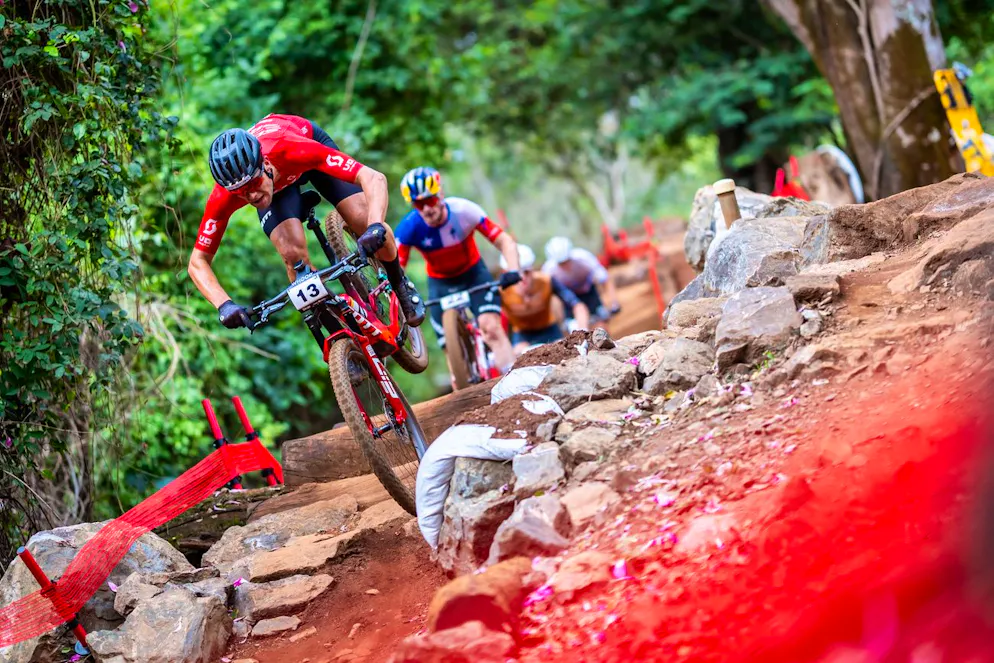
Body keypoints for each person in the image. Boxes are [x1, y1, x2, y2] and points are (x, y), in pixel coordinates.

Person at [188, 114, 425, 330]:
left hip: (306, 153)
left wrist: (375, 225)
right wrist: (224, 305)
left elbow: (373, 178)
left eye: (252, 184)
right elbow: (198, 261)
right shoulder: (225, 195)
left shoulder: (291, 148)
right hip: (279, 190)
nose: (251, 196)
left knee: (362, 218)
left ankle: (400, 282)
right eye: (241, 192)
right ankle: (341, 339)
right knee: (293, 257)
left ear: (266, 166)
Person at [395, 167, 521, 377]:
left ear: (440, 194)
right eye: (419, 204)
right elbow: (396, 268)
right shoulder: (409, 227)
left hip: (473, 274)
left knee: (491, 328)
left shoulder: (464, 211)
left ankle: (516, 379)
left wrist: (513, 269)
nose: (426, 209)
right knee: (450, 348)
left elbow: (504, 240)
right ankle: (464, 394)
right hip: (440, 283)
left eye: (430, 200)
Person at [500, 245, 590, 355]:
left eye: (526, 272)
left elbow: (577, 305)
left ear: (533, 269)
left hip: (549, 329)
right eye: (516, 276)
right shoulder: (501, 291)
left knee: (563, 352)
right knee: (518, 353)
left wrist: (582, 331)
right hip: (522, 334)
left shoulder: (546, 281)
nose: (522, 278)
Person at [543, 236, 620, 323]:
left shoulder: (583, 258)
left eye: (567, 261)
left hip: (589, 293)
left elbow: (605, 279)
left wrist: (614, 303)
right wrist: (560, 320)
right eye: (561, 263)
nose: (565, 266)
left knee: (601, 323)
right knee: (574, 330)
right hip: (568, 299)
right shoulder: (549, 270)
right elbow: (550, 297)